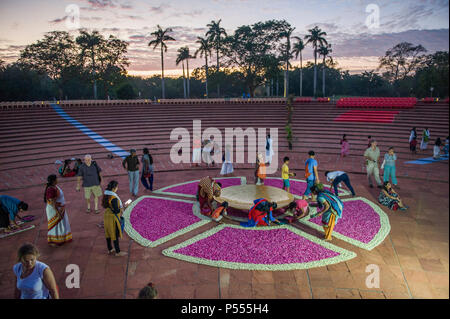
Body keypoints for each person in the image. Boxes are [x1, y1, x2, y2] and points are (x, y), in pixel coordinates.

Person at [44, 175, 72, 247]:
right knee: (55, 225)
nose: (58, 180)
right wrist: (58, 212)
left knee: (61, 224)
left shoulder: (54, 187)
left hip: (60, 208)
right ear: (53, 181)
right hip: (54, 210)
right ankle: (54, 241)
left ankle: (61, 238)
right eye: (56, 179)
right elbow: (52, 203)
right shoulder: (50, 190)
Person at [102, 180, 128, 257]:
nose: (117, 188)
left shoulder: (106, 194)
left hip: (107, 215)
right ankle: (118, 252)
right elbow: (116, 211)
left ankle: (110, 249)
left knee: (108, 233)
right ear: (113, 188)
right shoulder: (114, 198)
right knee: (115, 233)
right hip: (113, 218)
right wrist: (124, 207)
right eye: (117, 187)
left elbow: (106, 206)